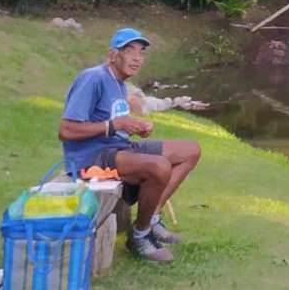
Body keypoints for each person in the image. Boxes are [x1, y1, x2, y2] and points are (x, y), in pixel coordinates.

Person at [59, 27, 202, 263]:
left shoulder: (120, 84)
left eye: (141, 51)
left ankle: (152, 218)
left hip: (117, 148)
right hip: (91, 158)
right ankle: (139, 236)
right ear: (113, 54)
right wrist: (114, 125)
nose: (137, 57)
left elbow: (114, 123)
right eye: (129, 50)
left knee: (190, 150)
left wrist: (134, 126)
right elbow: (67, 131)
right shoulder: (93, 78)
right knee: (159, 167)